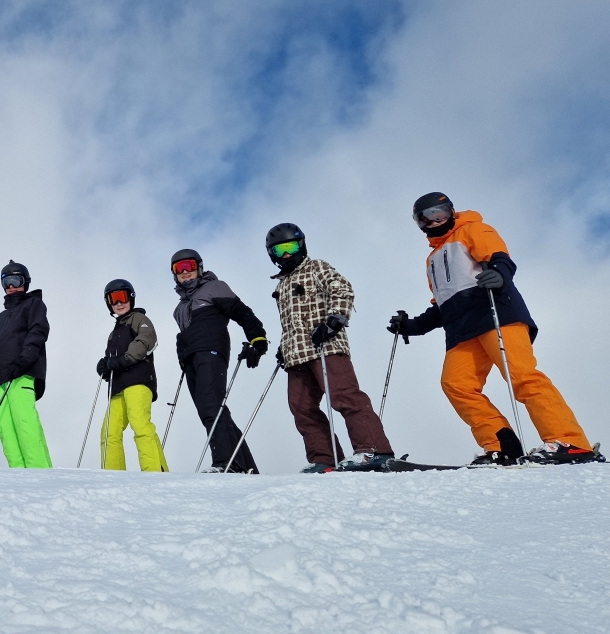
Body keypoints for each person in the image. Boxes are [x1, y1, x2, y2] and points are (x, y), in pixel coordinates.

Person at [390, 193, 600, 465]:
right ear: (419, 224)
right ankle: (501, 446)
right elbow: (444, 304)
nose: (434, 221)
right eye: (426, 218)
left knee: (522, 376)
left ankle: (570, 442)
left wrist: (499, 276)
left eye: (439, 214)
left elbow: (500, 258)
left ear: (451, 211)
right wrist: (412, 326)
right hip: (461, 330)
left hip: (495, 313)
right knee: (457, 385)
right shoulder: (431, 261)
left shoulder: (473, 229)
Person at [266, 224, 396, 473]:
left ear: (301, 245)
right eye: (279, 250)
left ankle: (372, 450)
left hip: (326, 345)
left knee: (344, 396)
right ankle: (325, 458)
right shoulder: (281, 285)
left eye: (290, 247)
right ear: (271, 254)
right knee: (301, 407)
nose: (286, 255)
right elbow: (291, 321)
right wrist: (284, 347)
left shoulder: (317, 267)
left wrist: (335, 319)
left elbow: (342, 289)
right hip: (297, 355)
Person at [171, 248, 267, 473]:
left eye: (189, 266)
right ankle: (244, 466)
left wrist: (257, 338)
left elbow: (242, 312)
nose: (185, 272)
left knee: (211, 406)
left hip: (211, 351)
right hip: (191, 359)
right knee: (214, 409)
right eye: (179, 269)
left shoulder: (214, 287)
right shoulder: (180, 307)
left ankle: (227, 463)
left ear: (199, 268)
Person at [0, 261, 52, 468]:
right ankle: (19, 476)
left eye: (15, 280)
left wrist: (25, 359)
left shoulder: (33, 305)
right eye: (6, 282)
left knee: (25, 424)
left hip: (21, 373)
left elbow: (38, 332)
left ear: (25, 282)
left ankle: (40, 472)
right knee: (6, 431)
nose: (11, 286)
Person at [96, 279, 168, 472]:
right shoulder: (114, 333)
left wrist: (123, 361)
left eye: (123, 297)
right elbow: (112, 359)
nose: (119, 303)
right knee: (109, 431)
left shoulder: (139, 319)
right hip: (118, 387)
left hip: (137, 381)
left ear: (131, 298)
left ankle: (155, 471)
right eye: (113, 299)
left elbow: (146, 341)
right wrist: (106, 367)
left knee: (140, 424)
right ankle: (113, 474)